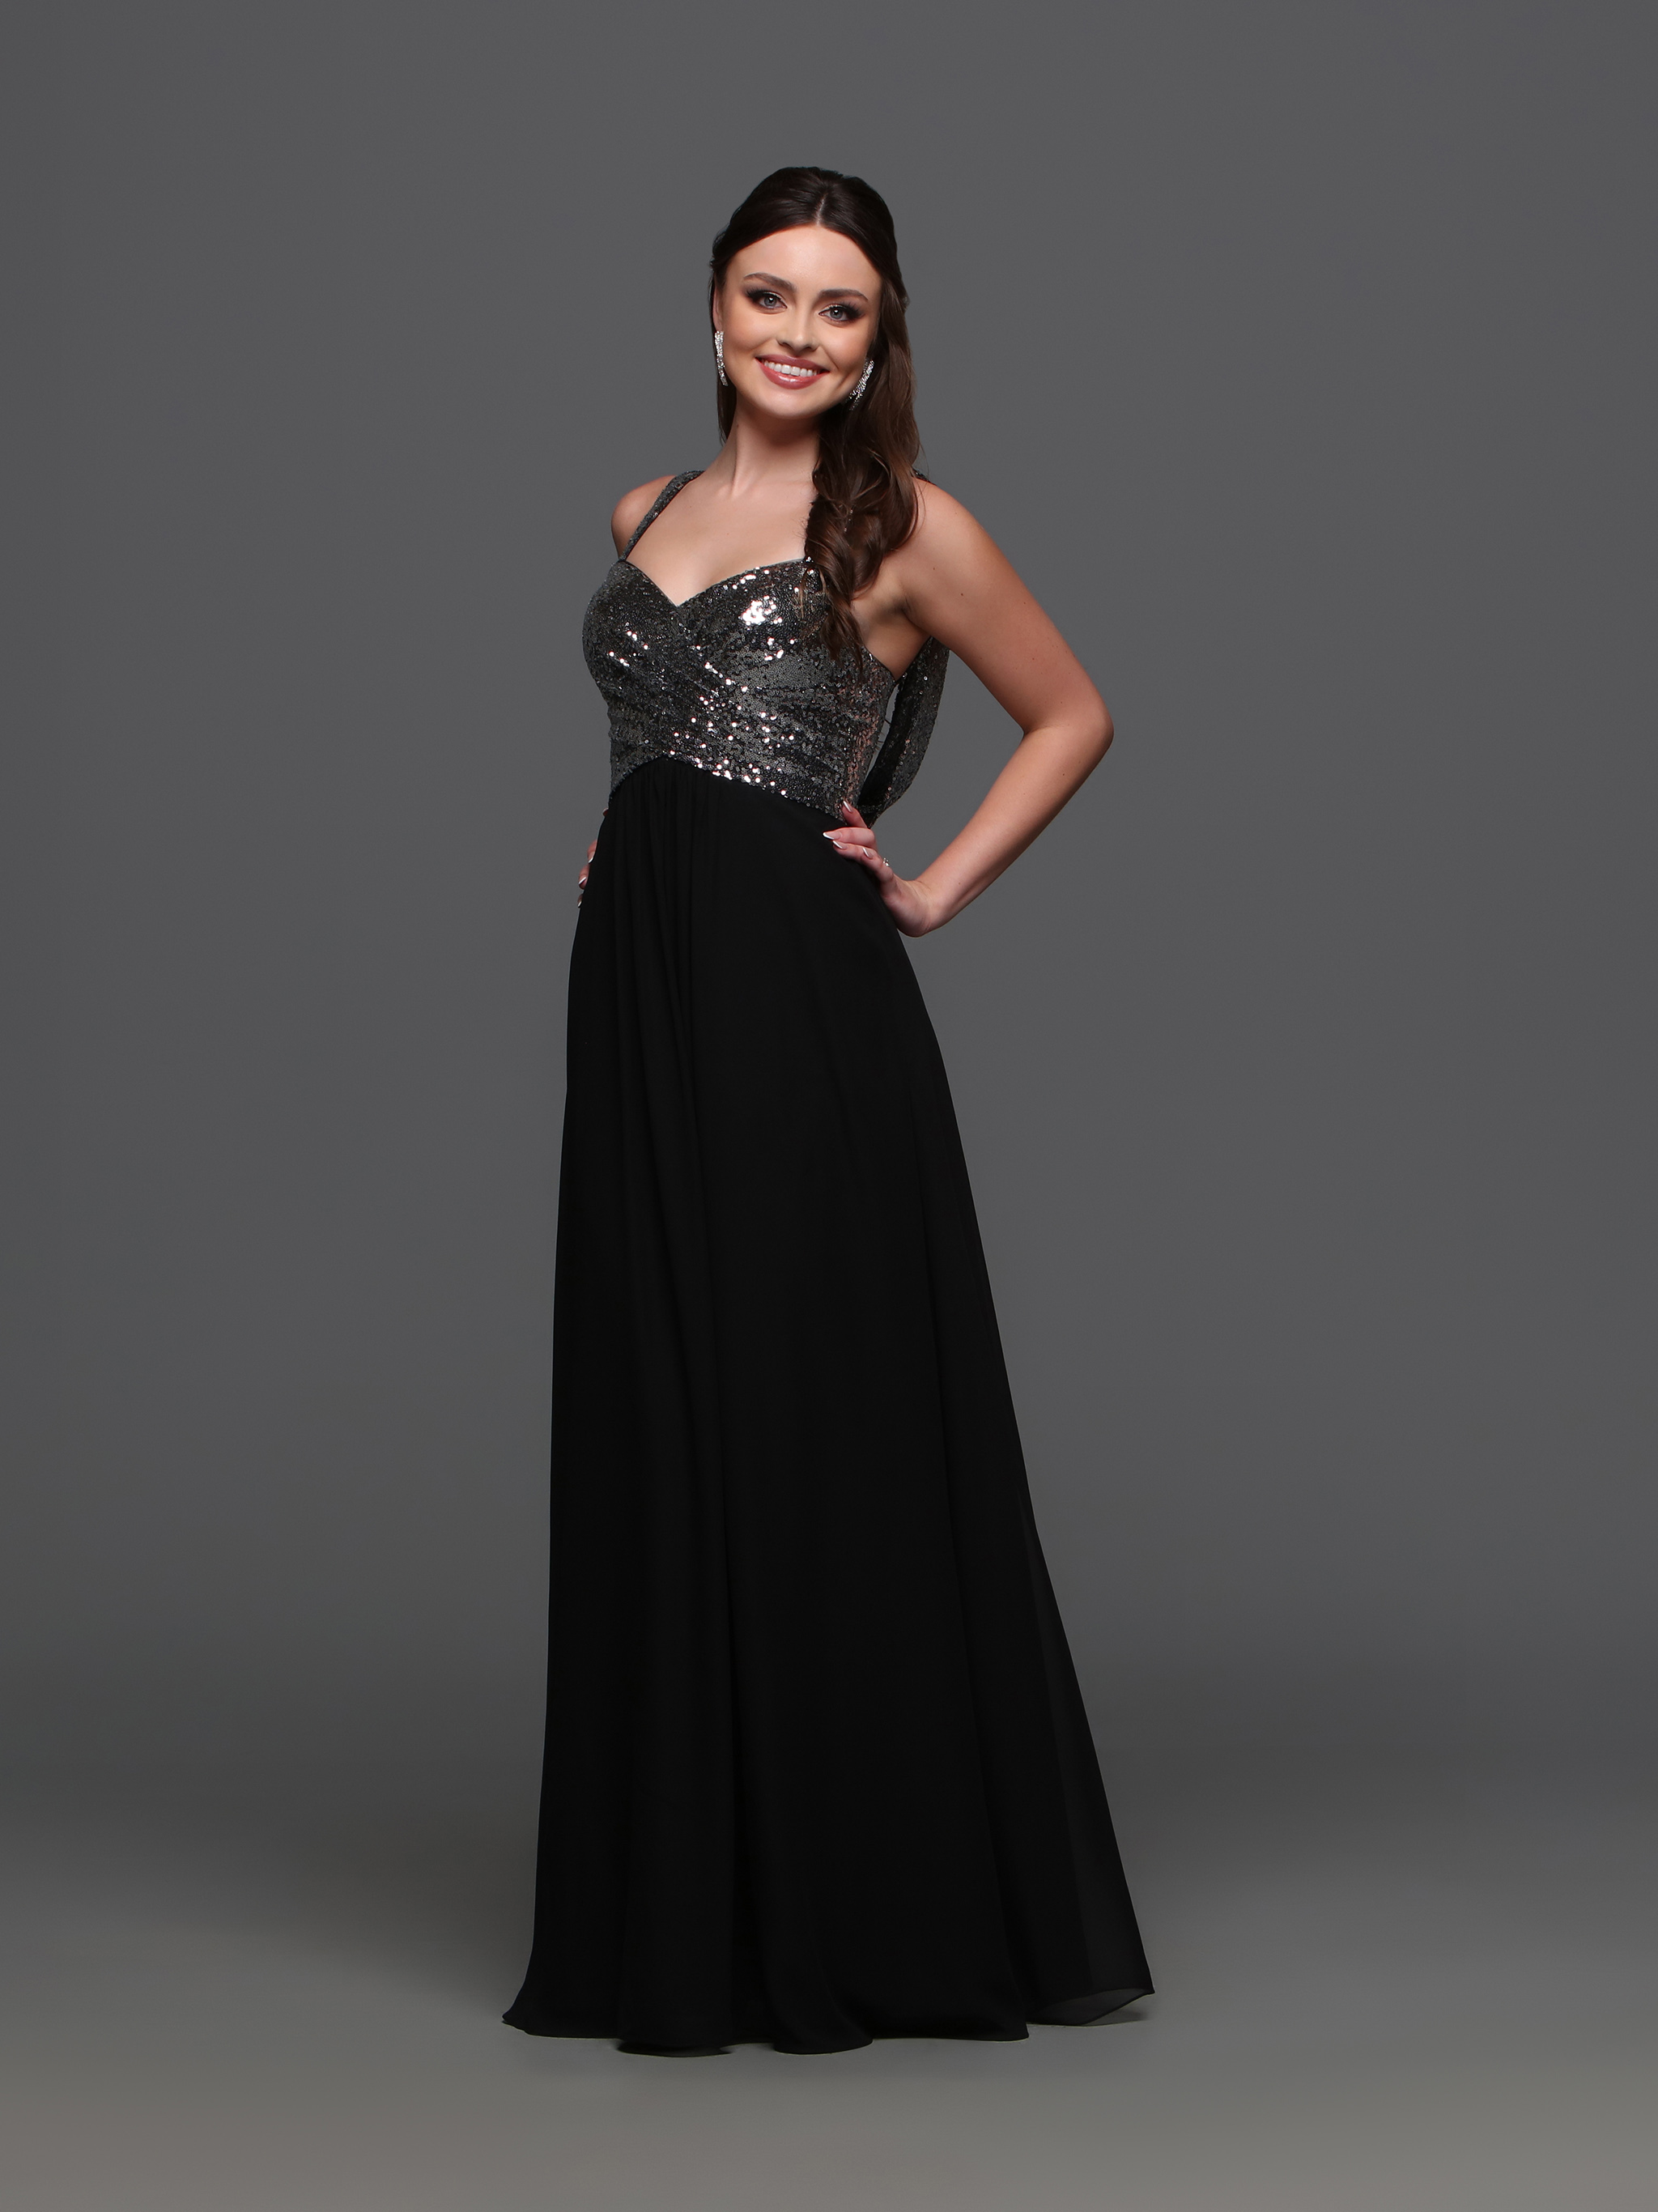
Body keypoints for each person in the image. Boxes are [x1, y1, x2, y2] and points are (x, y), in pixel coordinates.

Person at [504, 167, 1151, 2057]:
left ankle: (857, 1905)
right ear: (712, 307)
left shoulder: (907, 527)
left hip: (801, 998)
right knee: (664, 1394)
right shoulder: (642, 509)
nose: (796, 332)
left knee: (807, 1399)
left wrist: (931, 888)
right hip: (641, 992)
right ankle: (680, 1911)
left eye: (838, 307)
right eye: (768, 294)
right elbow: (664, 750)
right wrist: (637, 838)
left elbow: (1071, 712)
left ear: (879, 342)